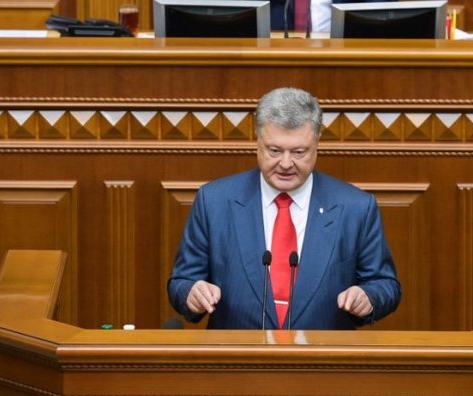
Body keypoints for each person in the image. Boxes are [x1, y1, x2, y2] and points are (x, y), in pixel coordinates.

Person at [167, 87, 401, 330]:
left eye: (299, 152)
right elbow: (182, 281)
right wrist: (192, 292)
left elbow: (385, 285)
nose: (286, 163)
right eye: (275, 151)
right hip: (237, 360)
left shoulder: (356, 207)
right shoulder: (214, 201)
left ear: (317, 142)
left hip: (324, 360)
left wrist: (368, 298)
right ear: (257, 141)